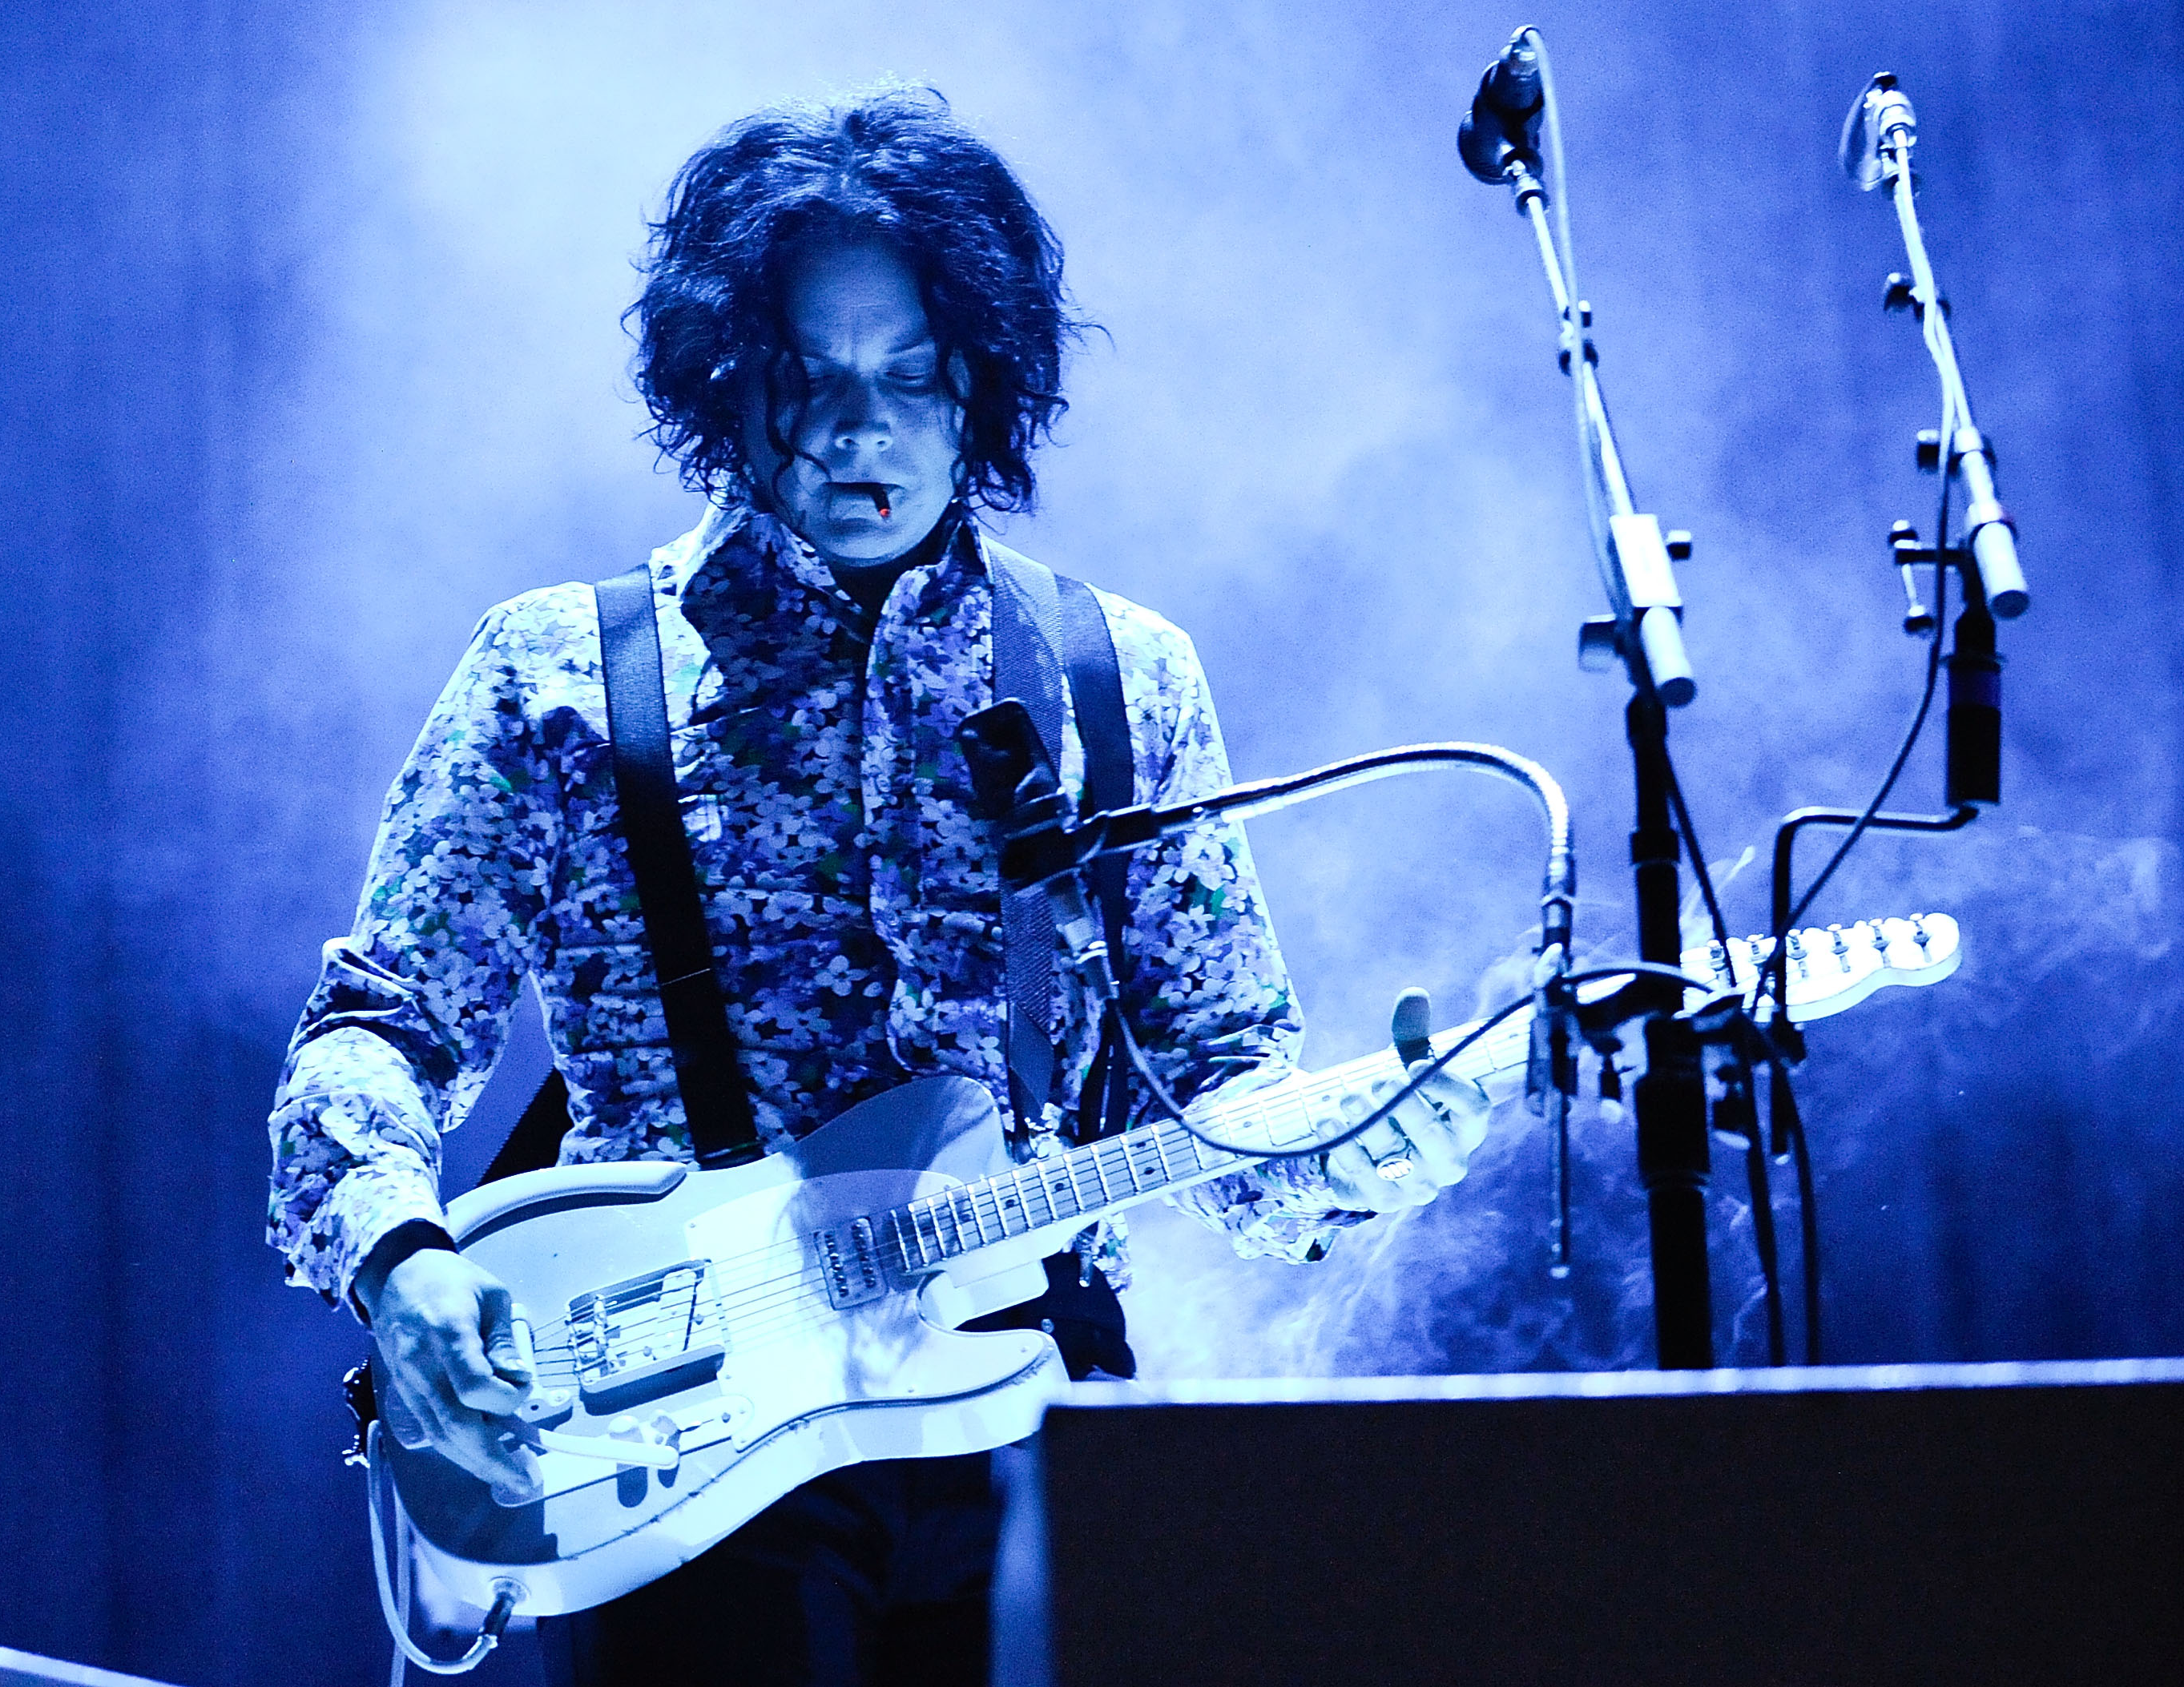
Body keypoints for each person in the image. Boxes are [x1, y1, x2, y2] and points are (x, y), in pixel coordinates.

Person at [266, 86, 1490, 1686]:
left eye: (912, 378)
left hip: (1035, 1416)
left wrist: (1364, 1150)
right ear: (727, 381)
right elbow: (376, 1028)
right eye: (811, 381)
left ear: (983, 380)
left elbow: (1224, 1100)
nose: (861, 431)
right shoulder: (561, 672)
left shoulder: (1115, 677)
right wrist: (402, 1256)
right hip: (686, 1445)